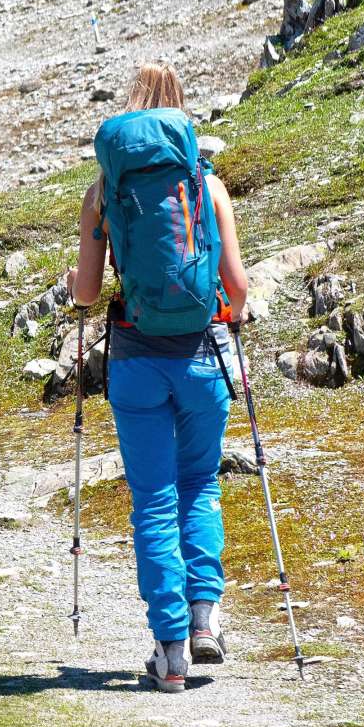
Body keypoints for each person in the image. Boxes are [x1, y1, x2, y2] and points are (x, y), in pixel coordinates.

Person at [62, 62, 251, 693]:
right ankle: (205, 620)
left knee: (153, 500)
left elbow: (87, 292)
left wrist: (74, 287)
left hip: (135, 363)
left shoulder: (104, 192)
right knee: (199, 484)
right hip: (202, 357)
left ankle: (169, 654)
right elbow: (239, 292)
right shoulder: (206, 184)